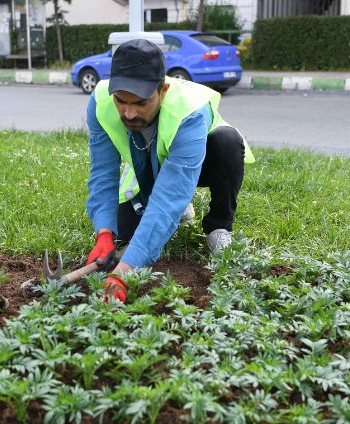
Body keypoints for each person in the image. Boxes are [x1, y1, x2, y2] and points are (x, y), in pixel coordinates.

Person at [84, 38, 255, 302]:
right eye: (121, 101)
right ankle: (171, 211)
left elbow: (169, 196)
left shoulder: (189, 110)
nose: (128, 113)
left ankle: (218, 227)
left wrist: (124, 272)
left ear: (162, 90)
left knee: (227, 142)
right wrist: (104, 232)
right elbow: (103, 175)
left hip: (203, 162)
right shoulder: (101, 102)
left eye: (140, 103)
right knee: (127, 233)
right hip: (148, 165)